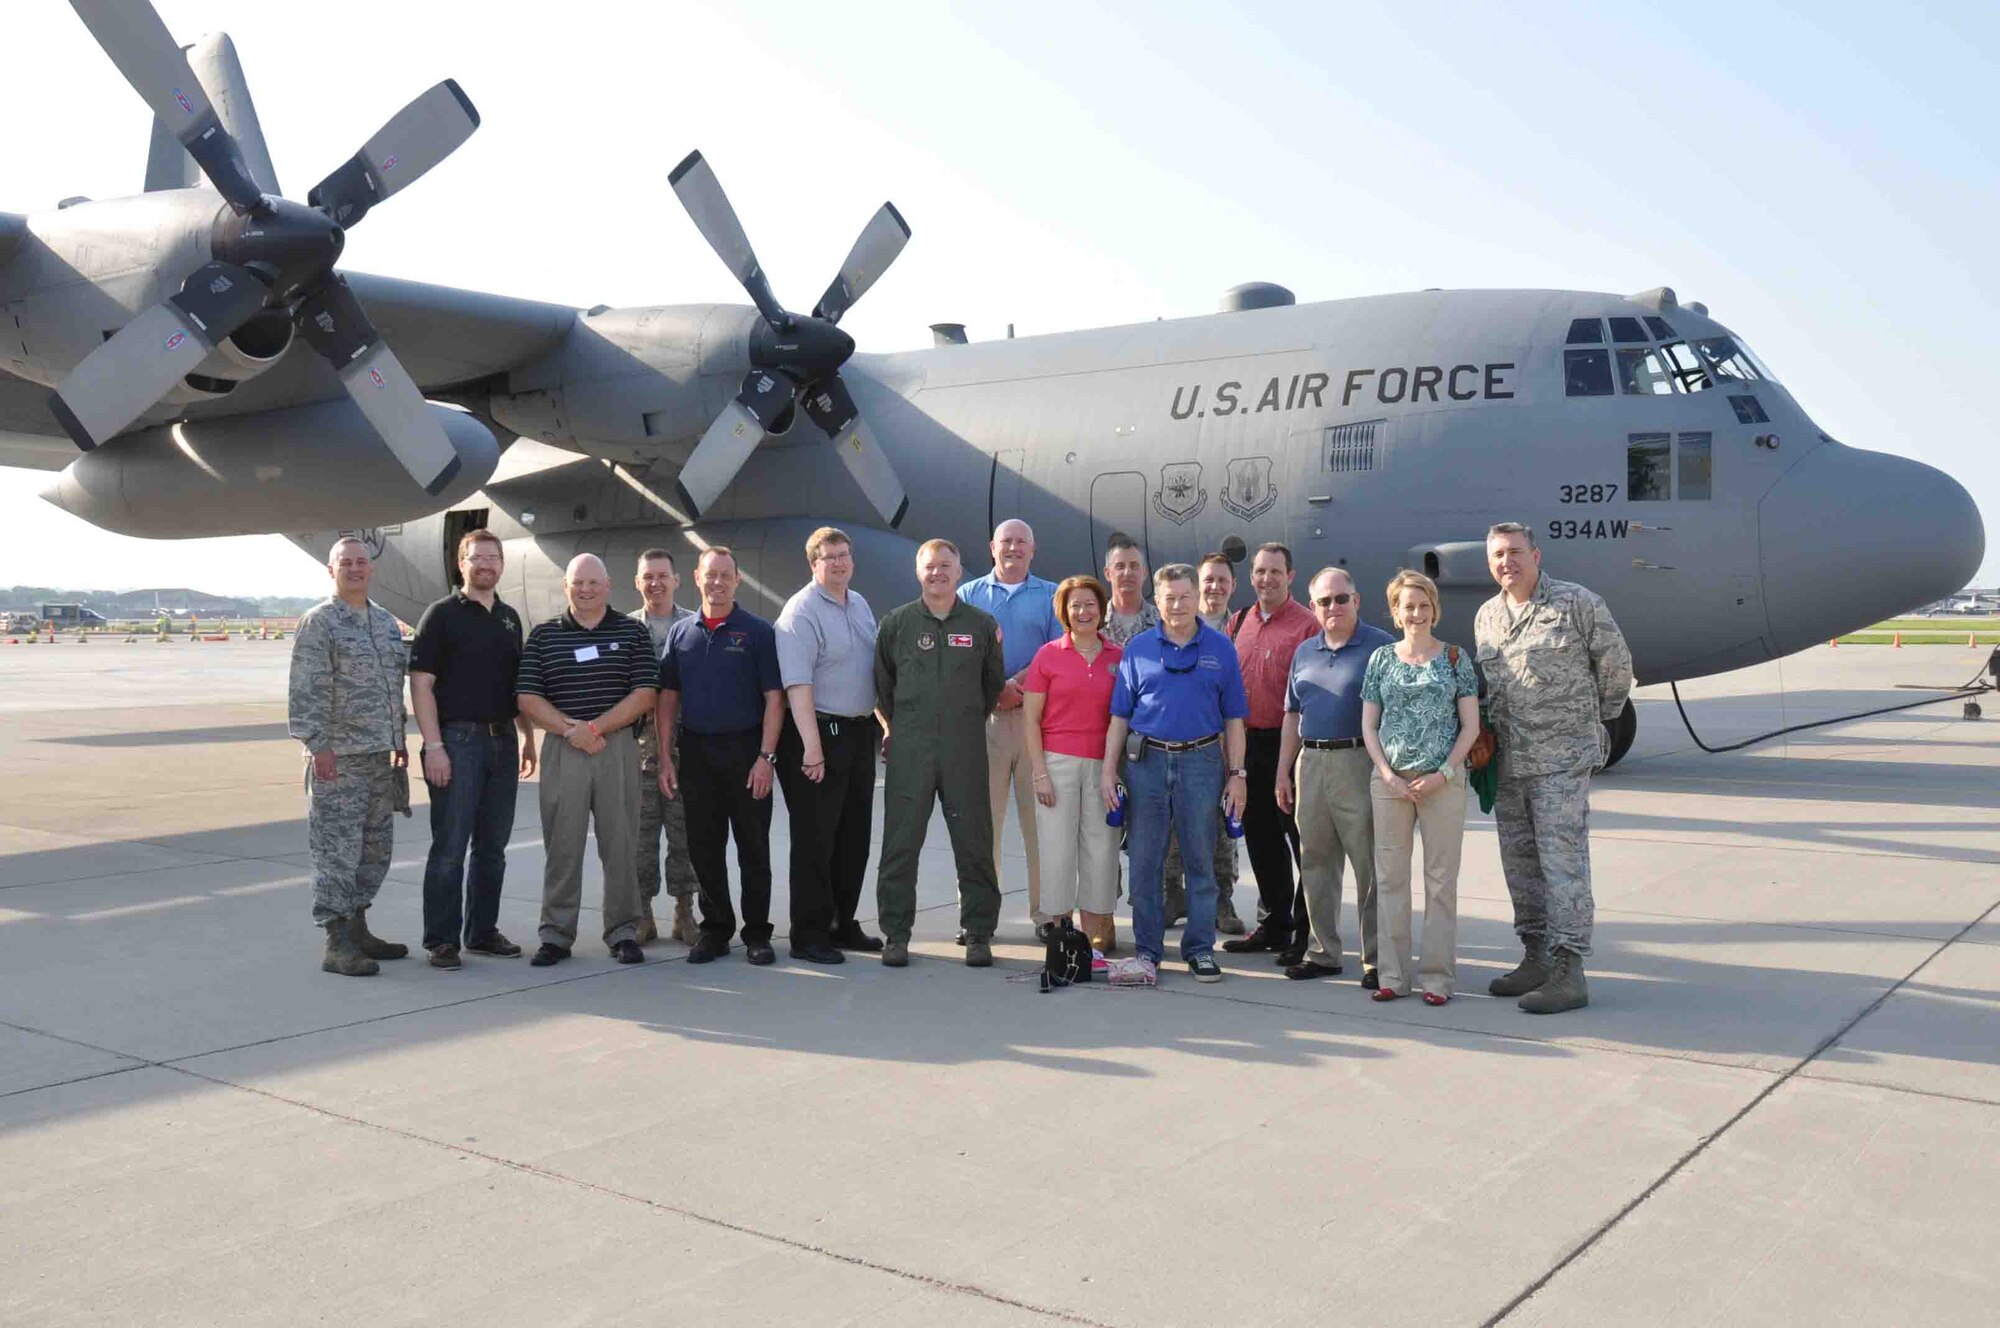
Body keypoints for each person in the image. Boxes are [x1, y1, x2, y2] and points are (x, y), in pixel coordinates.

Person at [1475, 522, 1633, 1014]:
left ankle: (1569, 969)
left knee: (1563, 866)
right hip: (1510, 763)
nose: (1508, 562)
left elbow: (1617, 667)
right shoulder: (1487, 616)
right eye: (1499, 555)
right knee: (1520, 866)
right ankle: (1535, 956)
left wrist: (1594, 723)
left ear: (1536, 556)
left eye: (1516, 552)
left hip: (1561, 762)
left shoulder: (1576, 603)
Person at [1099, 564, 1248, 984]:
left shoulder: (1221, 649)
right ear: (1157, 601)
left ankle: (1200, 949)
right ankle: (1147, 950)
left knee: (1201, 859)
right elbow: (1119, 718)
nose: (1177, 606)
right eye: (1169, 598)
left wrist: (1237, 775)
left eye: (1185, 597)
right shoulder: (1139, 649)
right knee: (1145, 861)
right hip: (1145, 764)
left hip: (1202, 763)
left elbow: (1235, 719)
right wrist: (1109, 772)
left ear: (1197, 597)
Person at [516, 554, 659, 967]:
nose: (586, 589)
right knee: (562, 846)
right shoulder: (544, 636)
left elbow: (645, 693)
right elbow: (527, 697)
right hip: (564, 750)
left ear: (608, 585)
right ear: (566, 586)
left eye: (593, 582)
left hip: (614, 747)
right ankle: (556, 935)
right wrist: (569, 730)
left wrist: (594, 728)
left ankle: (623, 931)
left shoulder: (632, 632)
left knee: (621, 844)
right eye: (578, 582)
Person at [874, 540, 1006, 968]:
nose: (938, 573)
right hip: (911, 749)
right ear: (918, 572)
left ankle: (978, 932)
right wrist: (905, 726)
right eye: (930, 566)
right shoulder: (897, 624)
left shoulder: (982, 625)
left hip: (964, 748)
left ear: (959, 570)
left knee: (974, 843)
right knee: (900, 843)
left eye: (945, 566)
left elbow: (992, 686)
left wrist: (960, 721)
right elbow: (882, 684)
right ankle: (895, 934)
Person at [408, 530, 537, 969]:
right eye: (476, 557)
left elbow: (516, 684)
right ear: (461, 564)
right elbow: (421, 684)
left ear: (501, 565)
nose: (486, 564)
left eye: (493, 557)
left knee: (492, 847)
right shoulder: (441, 615)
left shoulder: (508, 618)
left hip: (502, 741)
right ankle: (442, 940)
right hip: (458, 743)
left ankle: (482, 931)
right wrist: (434, 746)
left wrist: (527, 736)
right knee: (450, 845)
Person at [287, 536, 411, 977]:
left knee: (374, 849)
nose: (355, 569)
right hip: (338, 759)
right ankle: (336, 940)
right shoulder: (320, 622)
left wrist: (399, 738)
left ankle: (358, 926)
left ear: (372, 569)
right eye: (346, 563)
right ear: (331, 570)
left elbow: (393, 685)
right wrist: (317, 744)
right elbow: (306, 688)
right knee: (336, 851)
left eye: (362, 562)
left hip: (380, 756)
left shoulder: (382, 623)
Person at [656, 547, 784, 966]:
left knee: (753, 847)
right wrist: (666, 756)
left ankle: (757, 933)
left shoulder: (758, 632)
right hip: (696, 752)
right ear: (696, 578)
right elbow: (668, 699)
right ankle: (715, 929)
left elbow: (773, 700)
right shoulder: (681, 633)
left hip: (746, 753)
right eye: (710, 575)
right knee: (704, 847)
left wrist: (766, 757)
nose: (717, 582)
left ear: (737, 580)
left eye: (725, 575)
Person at [1360, 570, 1480, 1004]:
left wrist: (1443, 774)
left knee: (1440, 881)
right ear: (1395, 612)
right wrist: (1387, 774)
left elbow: (1470, 726)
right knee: (1390, 879)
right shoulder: (1381, 660)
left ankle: (1437, 979)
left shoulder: (1454, 658)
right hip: (1390, 783)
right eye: (1407, 606)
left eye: (1423, 605)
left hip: (1442, 783)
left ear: (1434, 609)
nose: (1416, 613)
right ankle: (1392, 975)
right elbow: (1369, 725)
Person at [1275, 567, 1396, 985]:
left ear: (1356, 601)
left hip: (1359, 761)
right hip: (1311, 762)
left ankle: (1378, 959)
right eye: (1324, 601)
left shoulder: (1381, 647)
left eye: (1341, 599)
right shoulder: (1305, 651)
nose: (1333, 607)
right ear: (1313, 607)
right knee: (1315, 861)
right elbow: (1292, 714)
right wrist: (1283, 772)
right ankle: (1323, 952)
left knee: (1368, 863)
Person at [774, 527, 883, 963]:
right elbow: (797, 685)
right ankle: (808, 933)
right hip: (817, 734)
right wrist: (811, 748)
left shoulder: (858, 604)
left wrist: (883, 725)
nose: (838, 562)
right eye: (828, 557)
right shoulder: (801, 612)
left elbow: (867, 673)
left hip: (858, 735)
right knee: (815, 840)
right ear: (813, 563)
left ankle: (842, 922)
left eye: (843, 555)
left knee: (853, 837)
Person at [957, 519, 1061, 930]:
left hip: (1037, 723)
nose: (1013, 548)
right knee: (983, 828)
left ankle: (1046, 915)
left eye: (1021, 542)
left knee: (1041, 830)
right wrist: (996, 688)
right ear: (991, 547)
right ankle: (977, 918)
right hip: (987, 723)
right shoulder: (969, 595)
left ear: (1033, 550)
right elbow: (960, 652)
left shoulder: (1052, 595)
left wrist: (1015, 684)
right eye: (1006, 542)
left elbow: (1055, 652)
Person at [1220, 543, 1319, 964]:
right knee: (1260, 839)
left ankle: (1308, 930)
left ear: (1290, 576)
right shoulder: (1238, 621)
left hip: (1290, 745)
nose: (1266, 579)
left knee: (1302, 842)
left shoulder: (1308, 626)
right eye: (1260, 572)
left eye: (1275, 572)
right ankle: (1275, 923)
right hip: (1248, 744)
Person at [1023, 576, 1123, 953]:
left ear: (1101, 610)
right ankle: (1061, 928)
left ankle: (1097, 926)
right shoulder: (1048, 655)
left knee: (1101, 846)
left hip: (1103, 766)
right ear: (1064, 612)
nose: (1083, 612)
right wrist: (1040, 774)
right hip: (1057, 764)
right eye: (1075, 605)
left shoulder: (1118, 657)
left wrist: (1114, 771)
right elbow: (1031, 720)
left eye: (1090, 604)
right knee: (1057, 847)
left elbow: (1123, 717)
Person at [1160, 552, 1247, 934]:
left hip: (1224, 738)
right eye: (1208, 579)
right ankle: (1171, 893)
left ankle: (1221, 899)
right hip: (1179, 742)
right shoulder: (1171, 623)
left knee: (1222, 827)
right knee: (1174, 825)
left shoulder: (1240, 626)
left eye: (1221, 580)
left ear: (1233, 585)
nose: (1215, 586)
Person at [631, 550, 701, 947]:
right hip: (639, 751)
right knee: (641, 836)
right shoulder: (625, 630)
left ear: (677, 580)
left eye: (663, 576)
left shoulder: (693, 627)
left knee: (684, 835)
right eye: (648, 576)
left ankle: (684, 913)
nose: (655, 583)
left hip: (684, 750)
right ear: (637, 582)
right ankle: (642, 913)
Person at [1100, 533, 1158, 647]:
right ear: (1107, 574)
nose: (1127, 573)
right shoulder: (1095, 622)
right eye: (1120, 566)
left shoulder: (1162, 621)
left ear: (1145, 572)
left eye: (1134, 566)